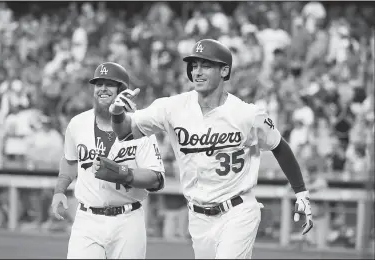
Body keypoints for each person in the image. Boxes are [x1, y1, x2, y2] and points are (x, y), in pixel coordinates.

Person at [109, 39, 313, 259]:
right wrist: (117, 113)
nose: (197, 72)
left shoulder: (246, 115)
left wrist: (301, 192)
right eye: (194, 65)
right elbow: (125, 132)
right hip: (198, 217)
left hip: (238, 211)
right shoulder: (172, 108)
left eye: (206, 65)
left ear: (224, 70)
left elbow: (279, 147)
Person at [51, 62, 165, 259]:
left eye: (109, 84)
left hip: (127, 220)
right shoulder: (77, 123)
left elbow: (156, 178)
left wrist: (124, 174)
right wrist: (60, 189)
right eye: (98, 84)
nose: (102, 88)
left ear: (123, 91)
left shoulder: (141, 127)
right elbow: (70, 160)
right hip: (87, 219)